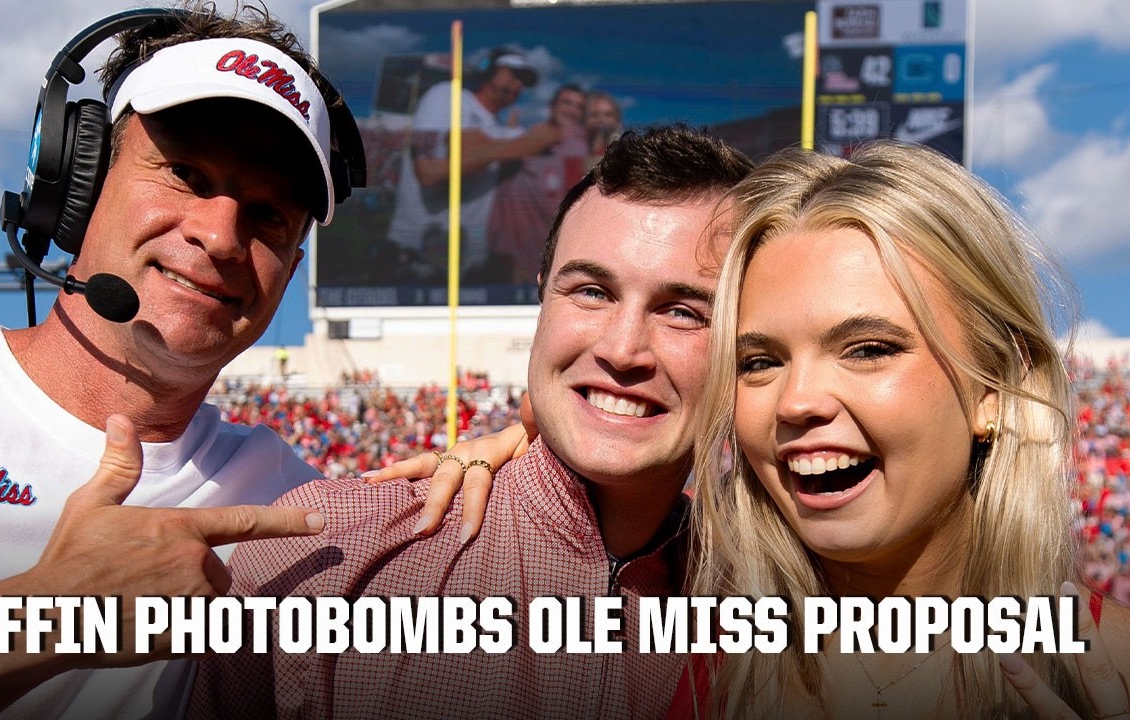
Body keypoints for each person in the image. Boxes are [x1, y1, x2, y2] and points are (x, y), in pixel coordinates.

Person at [0, 4, 497, 718]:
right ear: (79, 180)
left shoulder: (300, 509)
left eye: (268, 215)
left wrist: (549, 451)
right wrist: (43, 617)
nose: (221, 235)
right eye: (185, 173)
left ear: (290, 269)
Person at [188, 124, 754, 719]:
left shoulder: (786, 601)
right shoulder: (325, 555)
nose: (622, 348)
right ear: (543, 301)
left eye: (684, 311)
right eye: (591, 292)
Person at [672, 141, 1130, 718]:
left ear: (992, 387)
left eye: (868, 350)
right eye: (760, 362)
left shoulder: (1113, 668)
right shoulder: (666, 655)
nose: (797, 401)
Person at [385, 47, 562, 283]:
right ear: (487, 69)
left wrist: (500, 144)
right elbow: (428, 172)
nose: (518, 84)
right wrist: (524, 143)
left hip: (467, 266)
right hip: (416, 256)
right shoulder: (448, 96)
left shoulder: (497, 128)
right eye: (513, 73)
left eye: (523, 81)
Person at [486, 83, 590, 285]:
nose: (572, 110)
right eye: (567, 103)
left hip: (557, 248)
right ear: (552, 106)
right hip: (516, 248)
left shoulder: (582, 146)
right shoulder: (534, 136)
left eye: (578, 106)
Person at [584, 90, 622, 163]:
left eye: (608, 114)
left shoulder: (626, 151)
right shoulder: (571, 150)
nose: (601, 119)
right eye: (594, 114)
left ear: (617, 119)